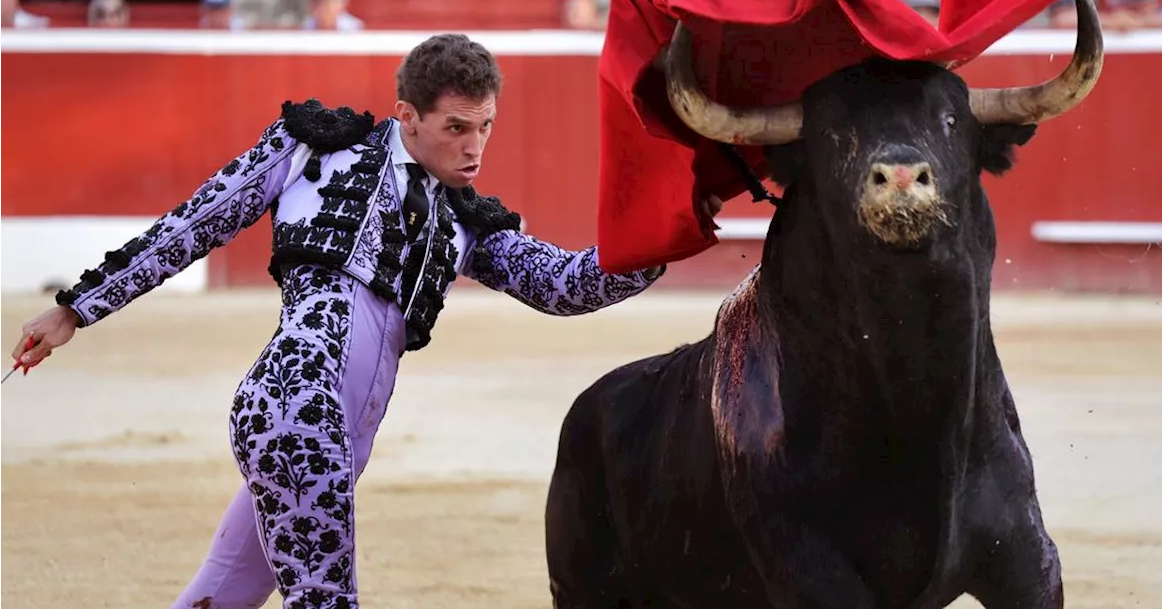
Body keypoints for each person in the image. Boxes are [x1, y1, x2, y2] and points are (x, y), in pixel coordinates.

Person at [13, 33, 721, 608]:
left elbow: (564, 286)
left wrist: (663, 235)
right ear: (406, 115)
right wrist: (79, 305)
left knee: (220, 597)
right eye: (454, 128)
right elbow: (196, 222)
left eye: (485, 128)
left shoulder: (463, 220)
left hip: (346, 439)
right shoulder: (313, 149)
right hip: (294, 405)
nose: (474, 149)